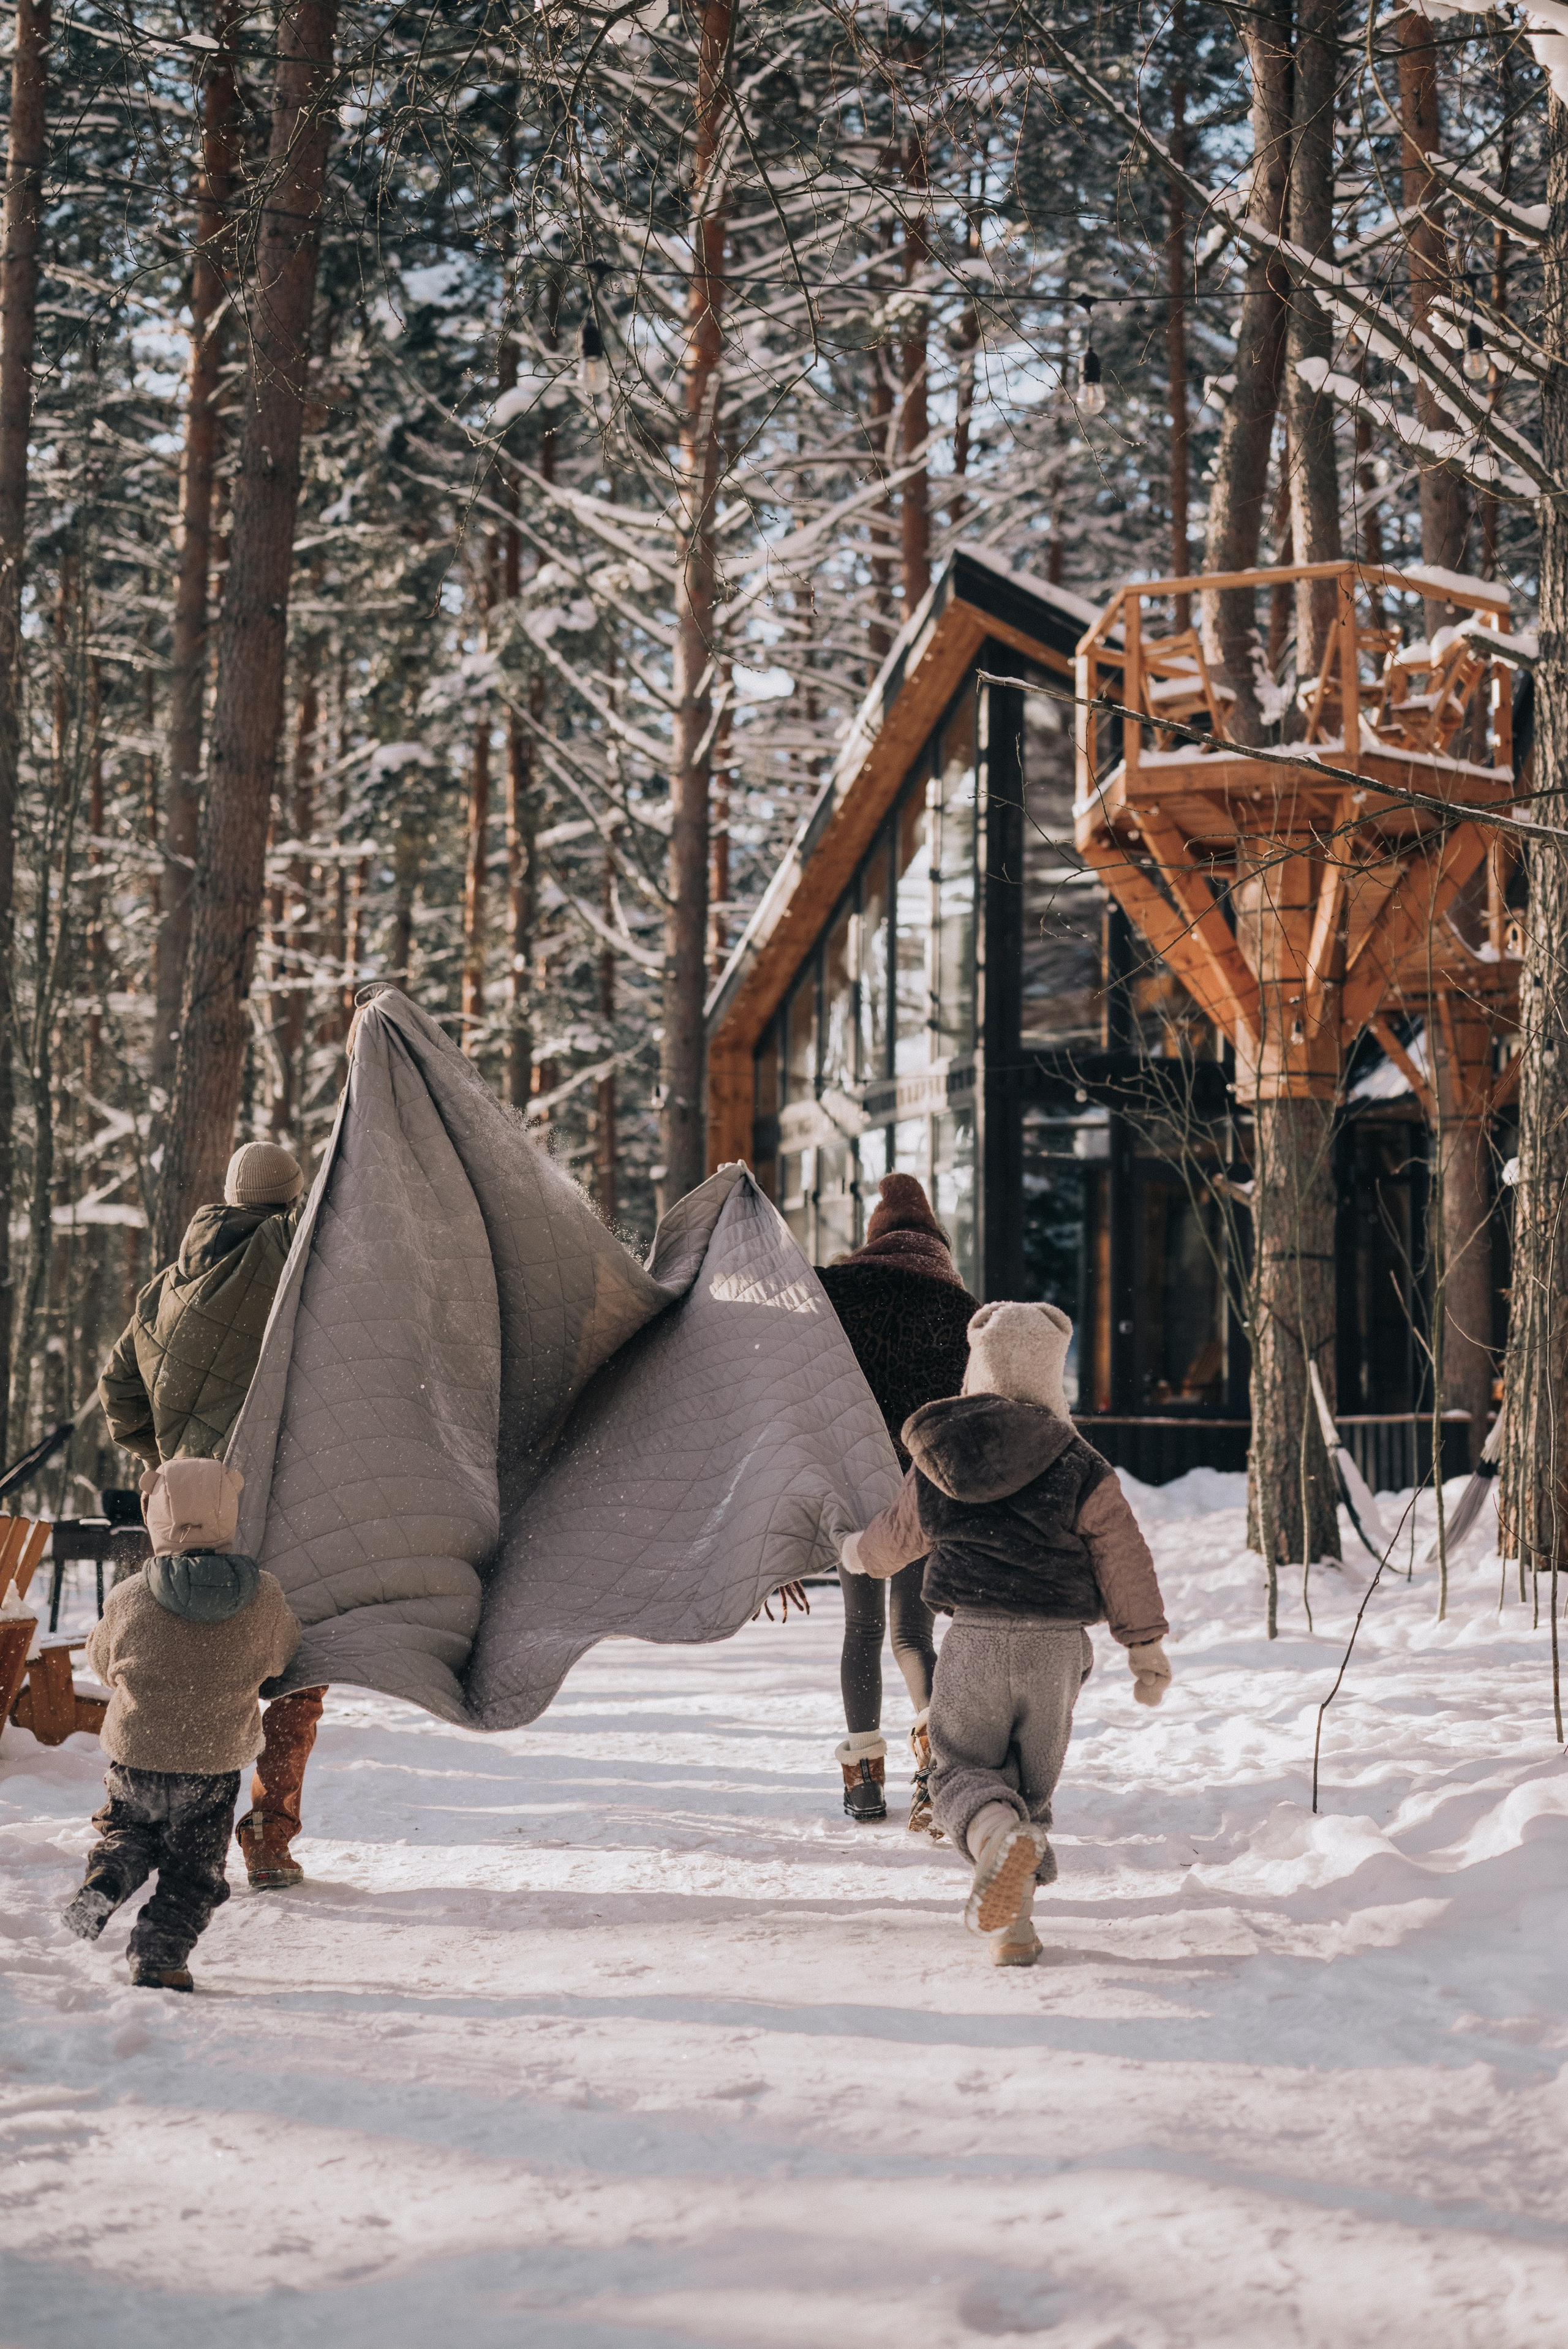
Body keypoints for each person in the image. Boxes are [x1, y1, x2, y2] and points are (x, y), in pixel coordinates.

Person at [840, 1300, 1172, 1966]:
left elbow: (894, 1540)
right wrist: (1144, 1644)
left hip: (975, 1639)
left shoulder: (942, 1452)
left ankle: (995, 1846)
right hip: (1055, 1651)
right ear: (1054, 1372)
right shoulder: (1079, 1461)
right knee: (1027, 1790)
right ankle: (1015, 1926)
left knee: (958, 1771)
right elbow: (1121, 1551)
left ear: (976, 1362)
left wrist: (853, 1553)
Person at [100, 1139, 326, 1891]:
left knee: (175, 1659)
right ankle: (265, 1837)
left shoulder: (167, 1283)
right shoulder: (292, 1258)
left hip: (184, 1508)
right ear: (290, 1199)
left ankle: (130, 1834)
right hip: (272, 1499)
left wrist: (164, 1461)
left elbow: (118, 1390)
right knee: (290, 1671)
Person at [62, 1457, 301, 1991]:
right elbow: (282, 1656)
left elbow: (102, 1662)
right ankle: (161, 1958)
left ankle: (109, 1876)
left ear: (156, 1513)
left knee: (131, 1832)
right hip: (210, 1768)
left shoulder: (128, 1597)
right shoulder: (263, 1596)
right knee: (194, 1874)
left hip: (136, 1757)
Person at [816, 1173, 978, 1828]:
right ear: (936, 1239)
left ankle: (862, 1784)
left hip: (854, 1484)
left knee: (861, 1628)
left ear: (874, 1235)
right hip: (923, 1488)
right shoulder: (962, 1311)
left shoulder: (834, 1293)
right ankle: (934, 1776)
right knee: (914, 1631)